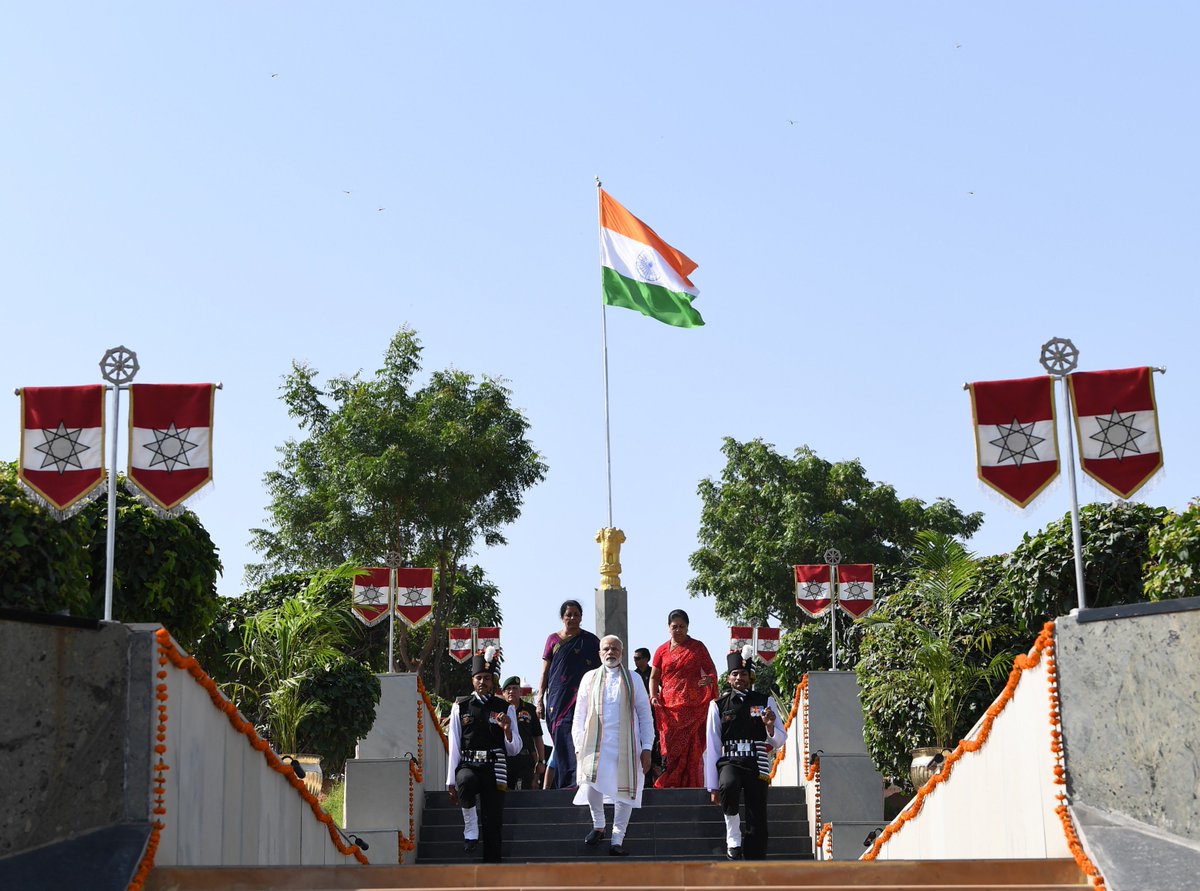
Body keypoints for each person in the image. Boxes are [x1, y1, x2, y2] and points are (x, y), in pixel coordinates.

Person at [571, 635, 655, 856]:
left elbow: (645, 715)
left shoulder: (634, 678)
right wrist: (578, 745)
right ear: (600, 653)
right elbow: (578, 715)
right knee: (589, 783)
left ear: (622, 652)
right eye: (606, 649)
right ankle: (599, 824)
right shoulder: (589, 678)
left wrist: (647, 746)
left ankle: (617, 838)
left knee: (624, 793)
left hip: (626, 745)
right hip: (594, 744)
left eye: (615, 649)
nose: (611, 652)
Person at [703, 646, 787, 860]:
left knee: (757, 814)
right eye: (734, 674)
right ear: (729, 678)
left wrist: (769, 726)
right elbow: (712, 744)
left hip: (756, 760)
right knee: (728, 786)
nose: (739, 678)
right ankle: (733, 836)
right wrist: (712, 785)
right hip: (730, 759)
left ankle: (754, 861)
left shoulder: (764, 701)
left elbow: (780, 739)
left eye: (743, 674)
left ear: (750, 676)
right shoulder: (718, 705)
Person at [446, 647, 522, 862]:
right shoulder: (460, 706)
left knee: (493, 821)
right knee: (466, 781)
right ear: (472, 681)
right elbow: (454, 744)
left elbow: (515, 749)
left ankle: (493, 868)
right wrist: (451, 780)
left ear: (493, 681)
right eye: (478, 678)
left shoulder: (505, 708)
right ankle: (470, 830)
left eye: (487, 678)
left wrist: (506, 730)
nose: (482, 682)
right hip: (469, 765)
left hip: (494, 767)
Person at [650, 609, 718, 788]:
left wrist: (709, 679)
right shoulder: (661, 650)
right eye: (675, 627)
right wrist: (653, 695)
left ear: (688, 627)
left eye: (682, 626)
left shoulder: (697, 647)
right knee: (672, 748)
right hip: (669, 707)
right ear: (668, 628)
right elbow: (654, 677)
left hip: (693, 706)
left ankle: (690, 784)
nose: (678, 630)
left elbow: (711, 670)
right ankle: (670, 781)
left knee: (692, 747)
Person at [537, 599, 601, 789]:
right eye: (568, 615)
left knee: (578, 737)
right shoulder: (553, 640)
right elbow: (545, 671)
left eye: (576, 615)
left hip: (583, 699)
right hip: (557, 699)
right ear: (562, 617)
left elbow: (600, 670)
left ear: (581, 617)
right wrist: (539, 699)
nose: (572, 618)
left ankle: (576, 783)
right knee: (561, 736)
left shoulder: (590, 641)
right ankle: (565, 784)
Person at [501, 675, 546, 790]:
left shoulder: (530, 709)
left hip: (526, 758)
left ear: (520, 691)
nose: (511, 691)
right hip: (506, 759)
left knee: (526, 793)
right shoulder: (499, 710)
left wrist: (541, 761)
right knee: (506, 794)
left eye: (515, 688)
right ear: (503, 693)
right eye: (508, 689)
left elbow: (538, 737)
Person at [632, 647, 663, 780]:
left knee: (654, 743)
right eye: (634, 658)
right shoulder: (633, 675)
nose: (635, 661)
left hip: (654, 715)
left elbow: (664, 688)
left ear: (646, 659)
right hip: (638, 716)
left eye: (638, 658)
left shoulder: (654, 674)